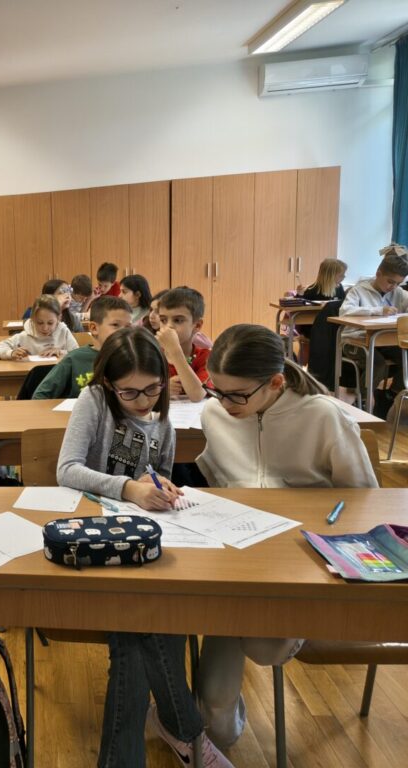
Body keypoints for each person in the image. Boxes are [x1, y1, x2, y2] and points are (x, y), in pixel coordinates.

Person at [56, 327, 233, 768]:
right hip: (93, 548)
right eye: (129, 392)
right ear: (108, 384)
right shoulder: (94, 402)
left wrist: (160, 486)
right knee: (150, 623)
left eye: (152, 389)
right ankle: (187, 733)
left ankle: (172, 738)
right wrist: (128, 488)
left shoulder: (163, 422)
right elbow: (67, 469)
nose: (142, 401)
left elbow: (156, 474)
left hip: (141, 548)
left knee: (140, 632)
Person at [194, 324, 377, 747]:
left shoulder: (323, 416)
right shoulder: (215, 414)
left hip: (302, 564)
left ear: (276, 382)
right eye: (216, 391)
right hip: (236, 563)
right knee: (214, 708)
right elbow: (223, 481)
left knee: (265, 647)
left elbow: (366, 499)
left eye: (237, 395)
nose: (224, 404)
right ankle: (209, 731)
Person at [338, 247, 408, 411]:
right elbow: (344, 311)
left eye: (398, 283)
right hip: (355, 339)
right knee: (377, 364)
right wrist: (377, 310)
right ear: (378, 274)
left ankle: (392, 394)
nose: (393, 287)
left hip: (383, 341)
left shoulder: (398, 292)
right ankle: (361, 399)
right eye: (390, 282)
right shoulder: (359, 290)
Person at [33, 296, 131, 400]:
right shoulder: (75, 359)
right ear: (93, 328)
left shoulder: (133, 358)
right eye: (115, 325)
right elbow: (40, 396)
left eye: (128, 327)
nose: (124, 331)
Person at [156, 287, 210, 402]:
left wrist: (175, 351)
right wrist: (162, 389)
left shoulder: (205, 357)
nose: (168, 326)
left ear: (197, 325)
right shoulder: (153, 354)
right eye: (163, 320)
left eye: (178, 320)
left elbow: (197, 395)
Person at [0, 295, 79, 361]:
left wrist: (61, 352)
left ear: (59, 318)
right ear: (33, 319)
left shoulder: (63, 332)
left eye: (50, 323)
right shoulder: (25, 336)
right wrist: (11, 353)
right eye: (40, 323)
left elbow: (78, 354)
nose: (45, 328)